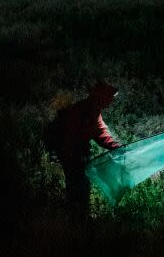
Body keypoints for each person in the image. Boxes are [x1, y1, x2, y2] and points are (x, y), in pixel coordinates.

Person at [45, 82, 122, 210]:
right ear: (102, 97)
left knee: (79, 186)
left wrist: (116, 147)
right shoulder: (82, 110)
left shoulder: (94, 110)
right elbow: (70, 136)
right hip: (71, 155)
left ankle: (78, 216)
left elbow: (101, 134)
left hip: (76, 155)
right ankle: (76, 218)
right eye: (110, 97)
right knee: (77, 186)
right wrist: (73, 155)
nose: (112, 100)